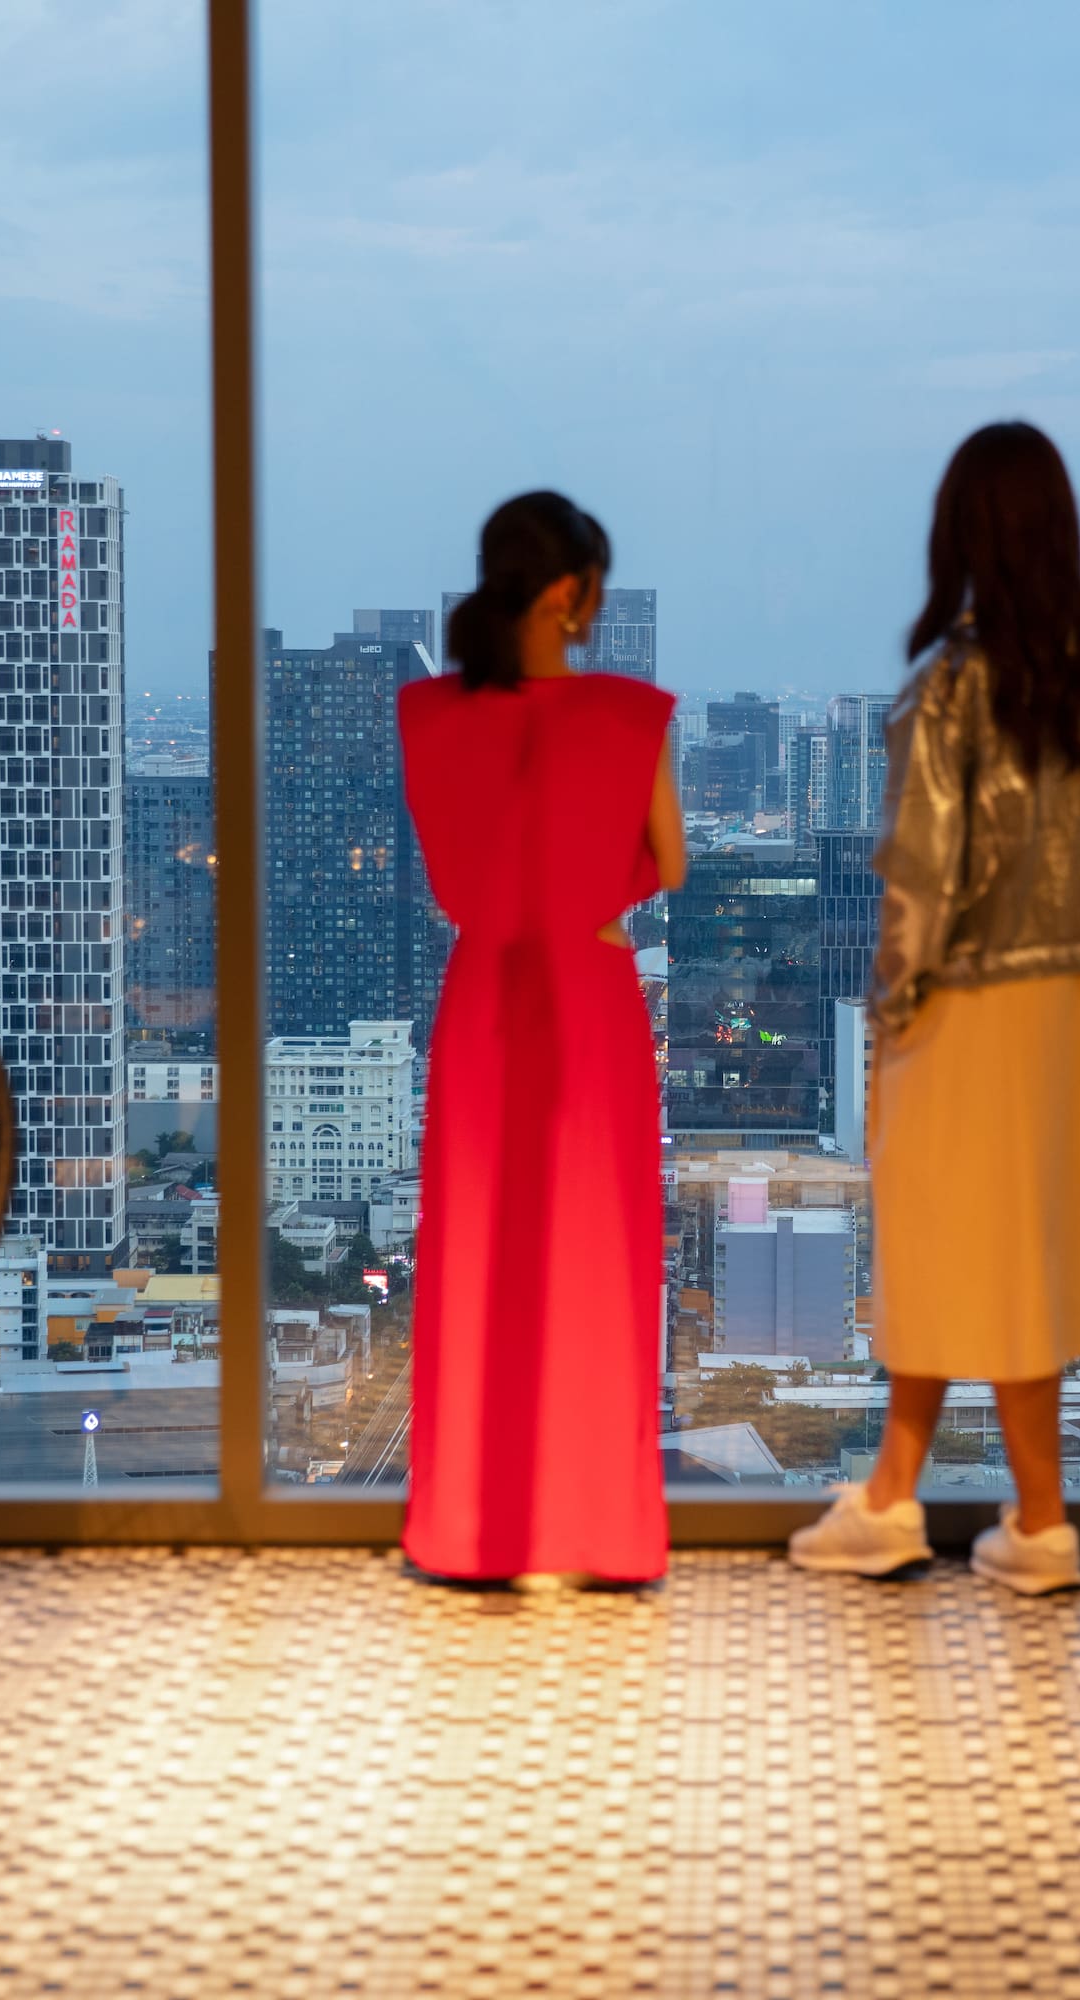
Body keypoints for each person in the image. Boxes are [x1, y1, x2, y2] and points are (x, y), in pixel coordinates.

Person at [789, 422, 1080, 1594]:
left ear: (958, 534)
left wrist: (889, 1015)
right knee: (1020, 1253)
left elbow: (920, 883)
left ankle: (920, 1505)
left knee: (953, 1247)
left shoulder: (948, 687)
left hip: (969, 1012)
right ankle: (1018, 1514)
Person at [398, 491, 685, 1587]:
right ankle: (599, 1533)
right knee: (596, 1259)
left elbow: (449, 878)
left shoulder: (431, 715)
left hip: (482, 999)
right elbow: (670, 857)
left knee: (479, 1259)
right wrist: (600, 894)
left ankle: (475, 1529)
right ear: (569, 591)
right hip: (591, 994)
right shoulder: (628, 718)